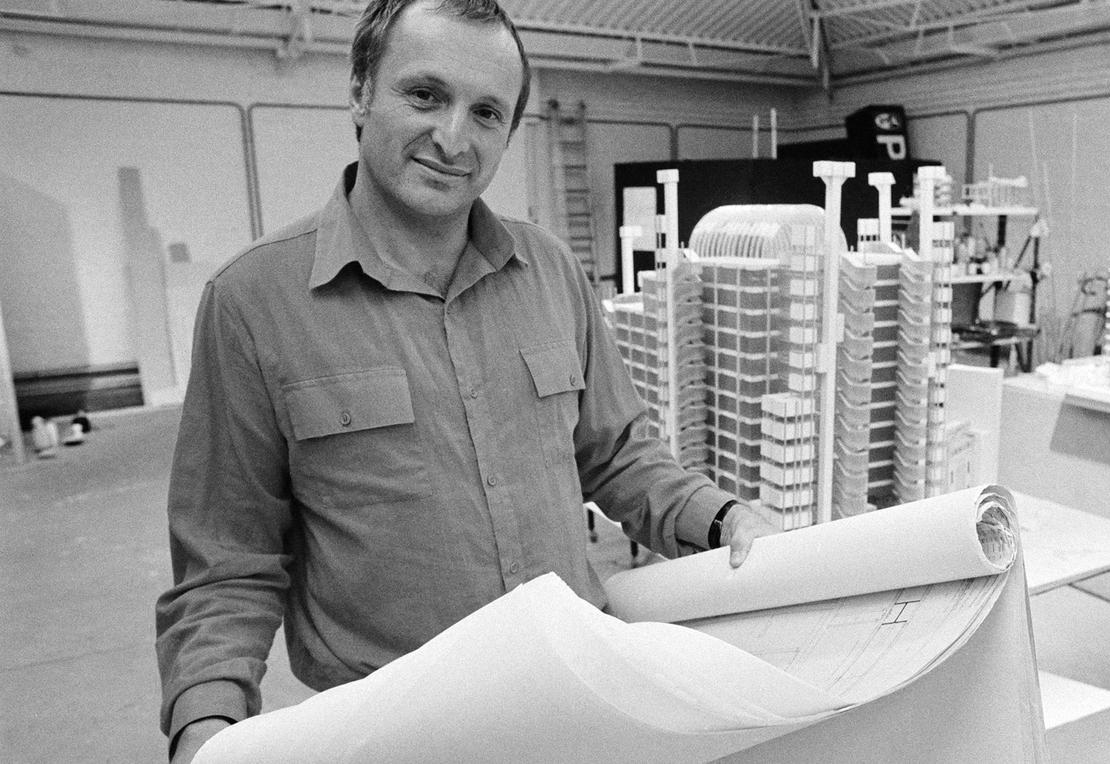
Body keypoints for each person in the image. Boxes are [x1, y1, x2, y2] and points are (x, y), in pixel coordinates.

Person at [155, 0, 777, 761]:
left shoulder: (550, 272)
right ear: (359, 91)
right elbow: (228, 562)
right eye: (425, 95)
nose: (454, 138)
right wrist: (205, 728)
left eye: (486, 112)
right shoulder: (253, 303)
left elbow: (618, 457)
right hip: (400, 733)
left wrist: (726, 520)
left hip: (577, 701)